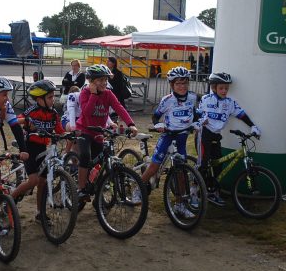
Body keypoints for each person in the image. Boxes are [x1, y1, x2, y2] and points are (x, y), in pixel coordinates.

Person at [138, 67, 202, 217]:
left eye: (185, 83)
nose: (182, 86)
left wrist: (197, 122)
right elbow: (155, 117)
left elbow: (195, 114)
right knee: (154, 166)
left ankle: (180, 204)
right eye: (178, 84)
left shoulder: (192, 97)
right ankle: (139, 189)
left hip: (182, 137)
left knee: (181, 172)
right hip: (168, 136)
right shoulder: (167, 100)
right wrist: (158, 125)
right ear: (172, 85)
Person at [75, 64, 138, 202]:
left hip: (99, 132)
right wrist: (93, 94)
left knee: (101, 161)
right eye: (100, 80)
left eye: (105, 80)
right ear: (91, 82)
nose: (104, 83)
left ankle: (97, 186)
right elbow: (86, 112)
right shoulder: (85, 93)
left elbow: (119, 108)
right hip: (85, 130)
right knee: (85, 156)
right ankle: (81, 188)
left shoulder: (108, 94)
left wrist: (131, 124)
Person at [197, 72, 261, 206]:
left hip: (216, 136)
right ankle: (194, 192)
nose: (224, 91)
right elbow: (198, 114)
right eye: (221, 88)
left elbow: (242, 115)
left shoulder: (229, 103)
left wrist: (253, 126)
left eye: (226, 88)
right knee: (203, 164)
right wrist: (200, 120)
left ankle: (213, 192)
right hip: (204, 134)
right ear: (214, 88)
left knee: (218, 165)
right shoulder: (206, 99)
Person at [10, 80, 64, 223]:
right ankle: (10, 199)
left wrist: (71, 134)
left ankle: (40, 213)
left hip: (43, 149)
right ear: (39, 99)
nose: (53, 100)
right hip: (29, 148)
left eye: (53, 96)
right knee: (33, 180)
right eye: (50, 97)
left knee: (43, 182)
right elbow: (17, 120)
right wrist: (27, 122)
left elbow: (60, 130)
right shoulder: (32, 111)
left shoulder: (53, 114)